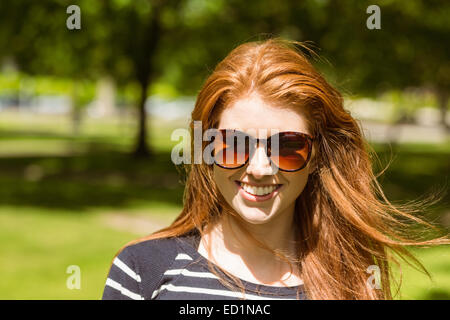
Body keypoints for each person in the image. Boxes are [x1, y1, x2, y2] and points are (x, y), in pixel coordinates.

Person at [102, 37, 448, 300]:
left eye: (287, 147)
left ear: (316, 157)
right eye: (234, 144)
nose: (260, 168)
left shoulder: (355, 279)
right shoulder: (142, 271)